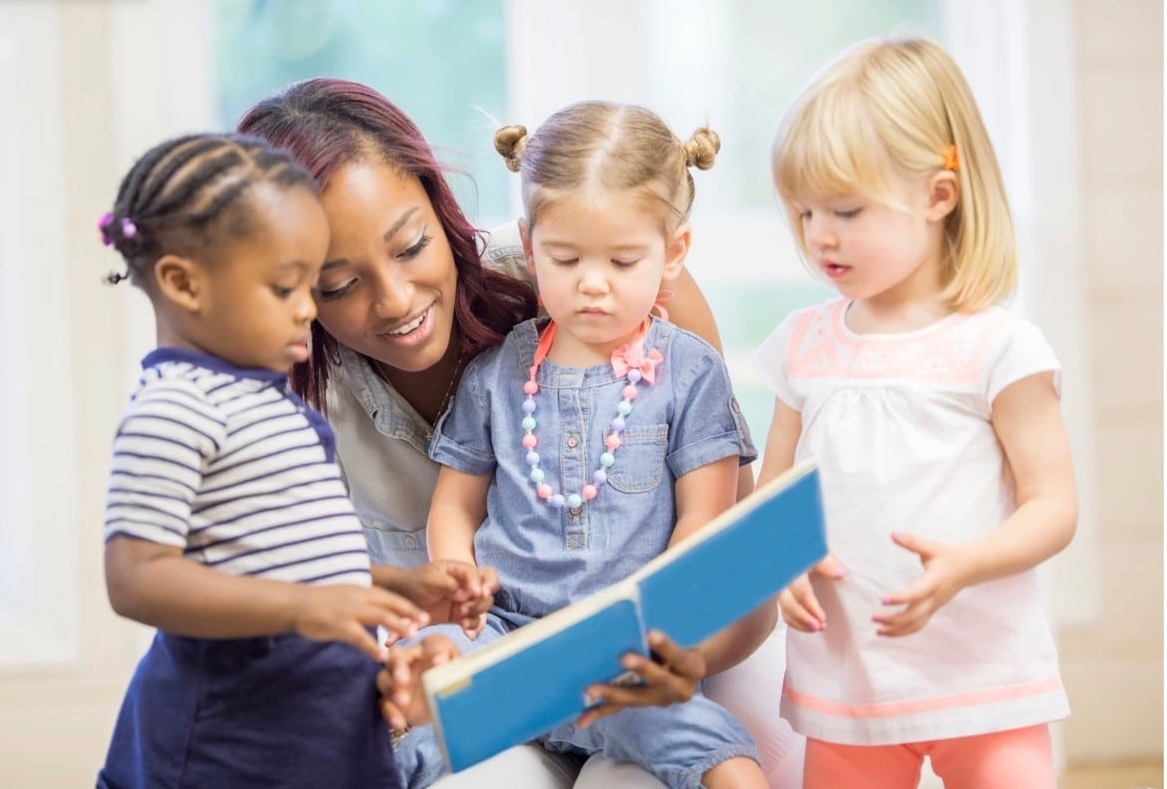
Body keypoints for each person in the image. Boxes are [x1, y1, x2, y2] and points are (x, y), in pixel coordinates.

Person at [237, 78, 800, 789]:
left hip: (649, 655)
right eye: (339, 285)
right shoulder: (384, 397)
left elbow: (729, 555)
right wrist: (438, 633)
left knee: (684, 763)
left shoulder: (648, 321)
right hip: (501, 648)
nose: (396, 300)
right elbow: (433, 538)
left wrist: (663, 642)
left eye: (411, 246)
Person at [94, 132, 486, 789]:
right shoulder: (174, 408)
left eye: (313, 284)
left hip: (324, 741)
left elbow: (297, 562)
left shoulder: (275, 403)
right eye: (287, 287)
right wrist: (304, 609)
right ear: (182, 282)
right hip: (222, 750)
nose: (309, 309)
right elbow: (135, 578)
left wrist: (397, 585)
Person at [409, 100, 770, 789]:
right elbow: (454, 506)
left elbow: (706, 516)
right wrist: (459, 587)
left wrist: (670, 624)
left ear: (675, 253)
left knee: (723, 759)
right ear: (528, 240)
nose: (592, 282)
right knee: (408, 706)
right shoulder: (495, 373)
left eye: (624, 259)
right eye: (565, 257)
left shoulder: (690, 372)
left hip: (620, 652)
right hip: (505, 639)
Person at [753, 37, 1077, 789]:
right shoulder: (803, 345)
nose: (818, 235)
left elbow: (1054, 505)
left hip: (986, 677)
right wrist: (780, 558)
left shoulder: (997, 347)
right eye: (803, 211)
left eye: (845, 208)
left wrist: (968, 563)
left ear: (938, 195)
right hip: (848, 684)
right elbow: (772, 494)